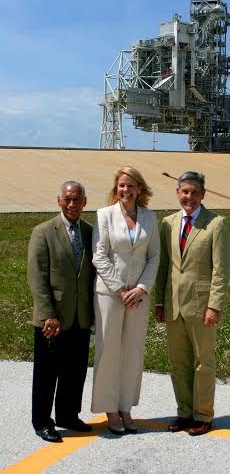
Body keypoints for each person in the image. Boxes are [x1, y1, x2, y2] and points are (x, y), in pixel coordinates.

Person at [154, 171, 230, 436]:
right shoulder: (167, 223)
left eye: (194, 192)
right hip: (173, 305)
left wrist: (214, 305)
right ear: (178, 193)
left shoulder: (216, 224)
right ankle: (184, 413)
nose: (189, 197)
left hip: (201, 306)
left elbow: (220, 270)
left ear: (203, 195)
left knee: (204, 363)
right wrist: (159, 303)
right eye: (185, 191)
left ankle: (203, 415)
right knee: (179, 363)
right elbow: (164, 265)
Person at [91, 166, 160, 435]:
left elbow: (154, 256)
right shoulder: (104, 215)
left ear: (140, 189)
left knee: (132, 351)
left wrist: (141, 288)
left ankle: (126, 406)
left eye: (131, 186)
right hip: (110, 294)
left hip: (138, 298)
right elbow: (100, 255)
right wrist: (121, 289)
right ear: (115, 188)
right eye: (121, 185)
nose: (126, 190)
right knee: (109, 350)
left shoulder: (149, 218)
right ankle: (109, 407)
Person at [27, 181, 94, 443]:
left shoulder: (90, 232)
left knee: (75, 370)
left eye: (77, 200)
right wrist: (47, 315)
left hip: (80, 316)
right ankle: (42, 422)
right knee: (46, 373)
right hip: (52, 319)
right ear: (59, 201)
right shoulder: (43, 232)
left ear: (84, 202)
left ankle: (68, 415)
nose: (72, 204)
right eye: (67, 199)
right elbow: (37, 277)